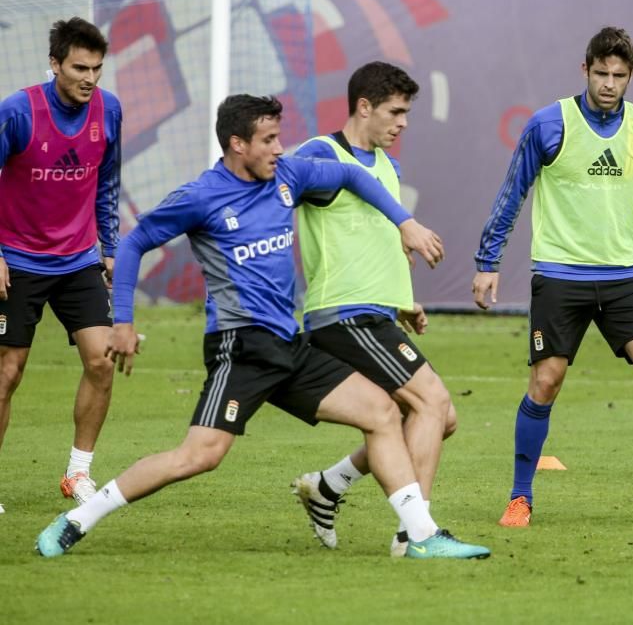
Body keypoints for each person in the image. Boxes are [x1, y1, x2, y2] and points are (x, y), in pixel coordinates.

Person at [36, 94, 490, 560]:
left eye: (279, 138)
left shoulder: (289, 175)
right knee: (199, 456)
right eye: (268, 140)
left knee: (382, 412)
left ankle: (420, 535)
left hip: (289, 344)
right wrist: (123, 322)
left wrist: (405, 223)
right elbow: (133, 244)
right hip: (240, 348)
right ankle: (76, 520)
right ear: (237, 144)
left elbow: (352, 174)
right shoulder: (201, 196)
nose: (279, 148)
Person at [472, 27, 633, 528]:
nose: (610, 84)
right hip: (560, 274)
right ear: (585, 69)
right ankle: (521, 496)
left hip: (625, 274)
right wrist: (487, 261)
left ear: (631, 77)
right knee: (547, 379)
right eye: (602, 73)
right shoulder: (548, 124)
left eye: (620, 76)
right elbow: (511, 193)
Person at [292, 62, 457, 557]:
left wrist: (402, 302)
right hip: (342, 313)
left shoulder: (388, 164)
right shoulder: (319, 155)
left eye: (407, 112)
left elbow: (376, 239)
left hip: (376, 313)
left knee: (436, 418)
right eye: (395, 111)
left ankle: (328, 486)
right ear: (363, 106)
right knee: (431, 401)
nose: (403, 122)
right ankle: (415, 534)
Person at [0, 17, 123, 514]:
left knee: (101, 361)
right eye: (78, 67)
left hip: (77, 260)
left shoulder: (108, 109)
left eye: (96, 67)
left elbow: (108, 180)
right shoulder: (18, 111)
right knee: (8, 373)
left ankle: (78, 473)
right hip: (19, 259)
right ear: (54, 64)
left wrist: (109, 246)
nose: (89, 77)